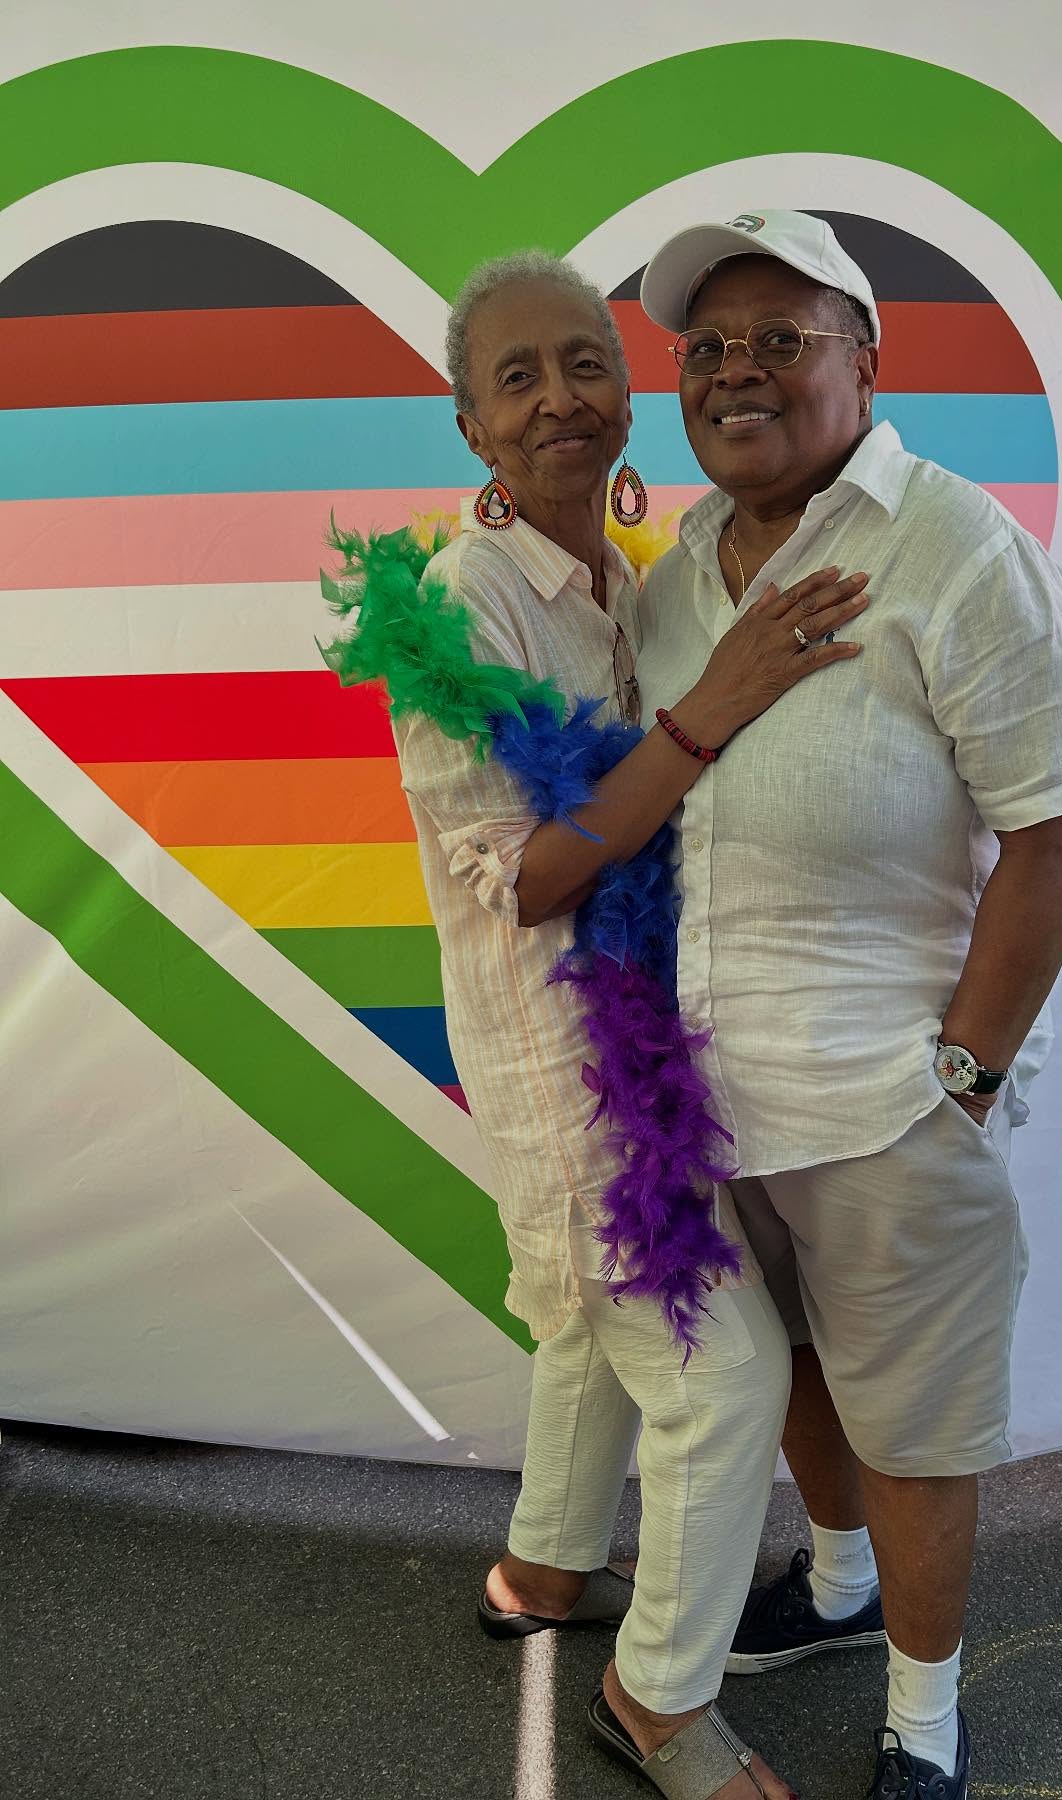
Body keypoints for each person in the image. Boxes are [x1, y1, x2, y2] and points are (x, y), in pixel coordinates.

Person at [326, 249, 871, 1800]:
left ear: (629, 391)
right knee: (718, 1375)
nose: (562, 399)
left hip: (651, 1030)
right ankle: (659, 1706)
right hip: (563, 1062)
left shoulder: (628, 577)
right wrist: (721, 702)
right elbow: (535, 877)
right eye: (519, 378)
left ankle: (544, 1573)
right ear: (471, 426)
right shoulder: (462, 604)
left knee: (589, 1327)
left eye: (586, 364)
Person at [634, 211, 1062, 1800]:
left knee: (916, 1432)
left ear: (866, 356)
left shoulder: (958, 551)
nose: (737, 372)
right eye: (708, 348)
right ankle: (836, 1586)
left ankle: (925, 1720)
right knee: (793, 1374)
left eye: (781, 338)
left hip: (882, 1103)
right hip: (719, 1100)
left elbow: (1057, 834)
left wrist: (958, 1079)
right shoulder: (679, 576)